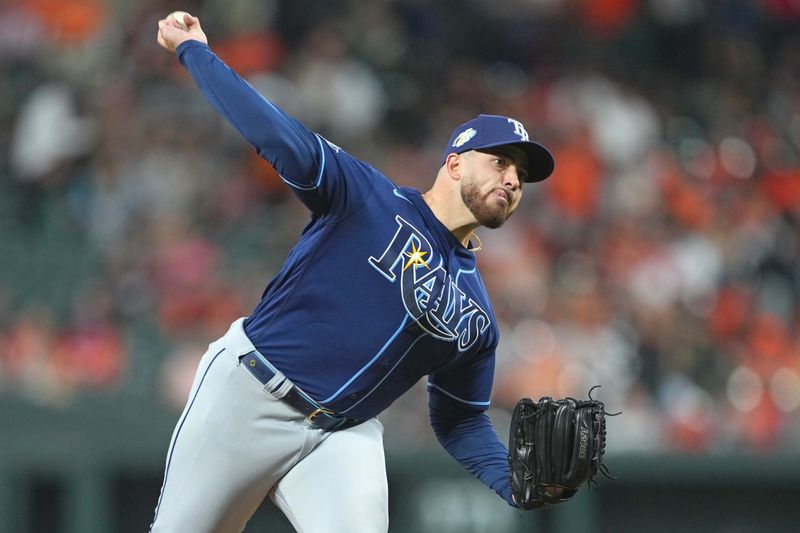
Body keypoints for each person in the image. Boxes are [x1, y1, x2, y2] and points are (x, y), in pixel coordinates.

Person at [151, 12, 555, 533]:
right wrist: (194, 51)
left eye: (522, 175)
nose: (513, 179)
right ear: (454, 163)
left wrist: (515, 482)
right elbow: (276, 134)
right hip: (249, 395)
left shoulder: (477, 318)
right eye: (500, 161)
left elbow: (460, 419)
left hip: (343, 434)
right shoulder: (366, 197)